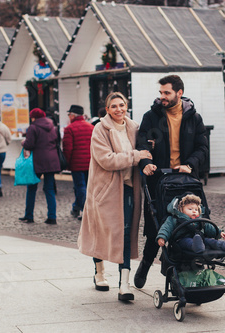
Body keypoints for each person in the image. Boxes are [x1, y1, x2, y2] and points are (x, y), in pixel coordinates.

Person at [134, 74, 209, 288]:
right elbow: (142, 143)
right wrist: (145, 162)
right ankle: (146, 263)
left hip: (185, 180)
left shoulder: (193, 118)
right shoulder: (152, 116)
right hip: (159, 180)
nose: (162, 97)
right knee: (156, 226)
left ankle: (181, 273)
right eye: (161, 93)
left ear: (179, 93)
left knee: (188, 225)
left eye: (167, 93)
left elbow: (202, 147)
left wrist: (190, 164)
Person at [78, 92, 152, 301]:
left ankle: (124, 284)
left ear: (126, 105)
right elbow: (107, 160)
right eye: (114, 106)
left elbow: (143, 147)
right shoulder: (99, 130)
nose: (119, 109)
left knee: (126, 232)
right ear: (107, 109)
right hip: (104, 190)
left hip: (128, 187)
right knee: (100, 230)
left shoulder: (133, 127)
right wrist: (137, 156)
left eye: (122, 105)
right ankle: (99, 272)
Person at [19, 108, 61, 225]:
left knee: (31, 188)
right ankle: (52, 217)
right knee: (49, 189)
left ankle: (29, 216)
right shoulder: (52, 126)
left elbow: (29, 144)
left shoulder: (33, 127)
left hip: (37, 160)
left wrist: (23, 142)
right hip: (52, 160)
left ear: (34, 117)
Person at [156, 194, 225, 253]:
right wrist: (162, 237)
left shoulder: (200, 220)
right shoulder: (174, 219)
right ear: (181, 210)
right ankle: (196, 246)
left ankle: (223, 245)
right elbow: (166, 228)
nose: (194, 211)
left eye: (196, 209)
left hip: (200, 239)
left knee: (209, 241)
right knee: (188, 242)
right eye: (190, 209)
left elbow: (209, 227)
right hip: (181, 240)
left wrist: (219, 232)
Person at [62, 105, 94, 220]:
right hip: (90, 163)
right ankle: (77, 207)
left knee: (80, 187)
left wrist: (66, 162)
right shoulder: (91, 127)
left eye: (69, 114)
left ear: (73, 115)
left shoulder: (69, 128)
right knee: (88, 187)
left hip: (77, 164)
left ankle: (84, 210)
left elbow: (68, 148)